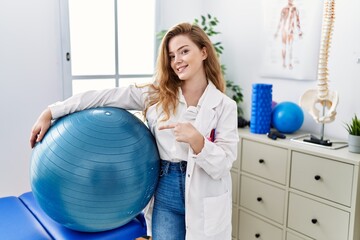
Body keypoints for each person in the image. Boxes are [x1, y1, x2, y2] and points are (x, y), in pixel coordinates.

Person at [30, 22, 239, 240]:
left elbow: (223, 164)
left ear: (204, 52)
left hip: (205, 195)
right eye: (171, 55)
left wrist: (198, 141)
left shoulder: (225, 106)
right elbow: (102, 96)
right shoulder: (156, 94)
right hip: (165, 191)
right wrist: (51, 111)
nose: (177, 60)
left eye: (184, 51)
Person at [274, 0, 303, 69]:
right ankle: (284, 62)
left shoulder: (295, 10)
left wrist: (299, 31)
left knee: (290, 47)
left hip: (291, 31)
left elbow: (298, 21)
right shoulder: (284, 9)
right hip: (284, 30)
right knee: (284, 47)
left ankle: (290, 63)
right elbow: (280, 21)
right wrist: (277, 32)